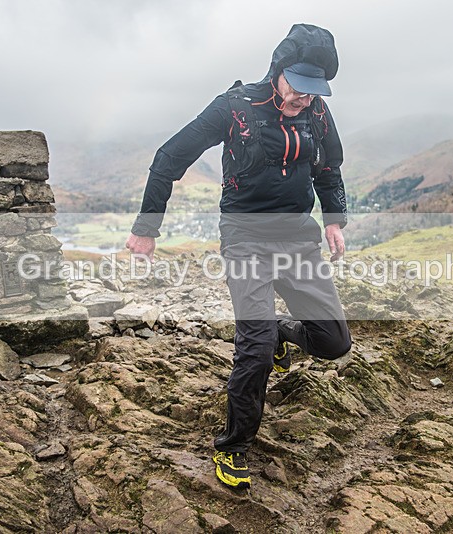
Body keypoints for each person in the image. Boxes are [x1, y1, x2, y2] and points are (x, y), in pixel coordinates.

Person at [126, 23, 352, 489]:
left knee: (333, 343)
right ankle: (233, 448)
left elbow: (328, 168)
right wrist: (147, 229)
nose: (303, 99)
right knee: (254, 348)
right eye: (297, 87)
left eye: (314, 91)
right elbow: (169, 158)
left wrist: (333, 219)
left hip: (297, 238)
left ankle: (285, 335)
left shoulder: (318, 114)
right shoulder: (235, 106)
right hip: (245, 237)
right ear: (277, 71)